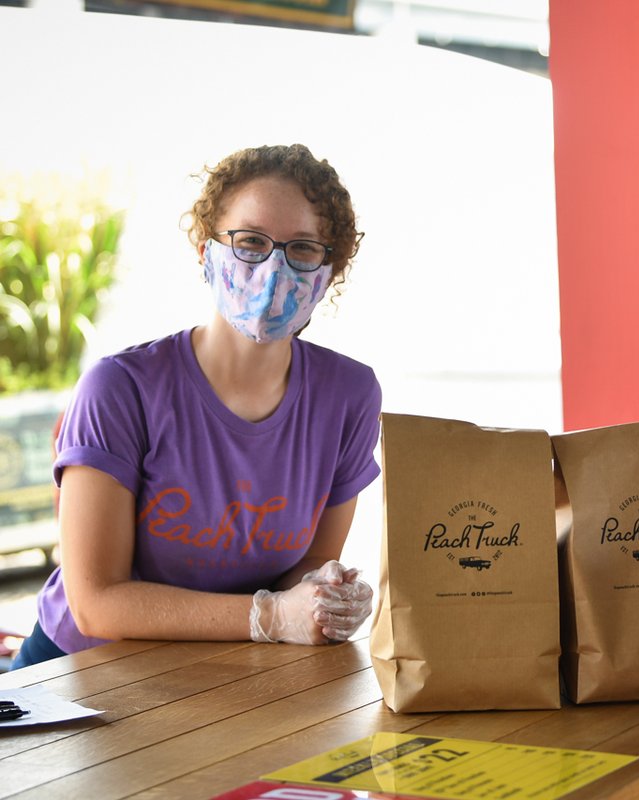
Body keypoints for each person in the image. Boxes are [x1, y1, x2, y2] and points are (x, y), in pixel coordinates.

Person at [11, 144, 381, 669]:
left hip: (225, 672)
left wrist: (322, 596)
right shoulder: (119, 389)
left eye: (302, 249)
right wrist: (271, 617)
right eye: (250, 241)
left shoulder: (349, 395)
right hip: (78, 674)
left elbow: (309, 562)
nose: (273, 268)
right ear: (206, 251)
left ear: (329, 271)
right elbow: (95, 603)